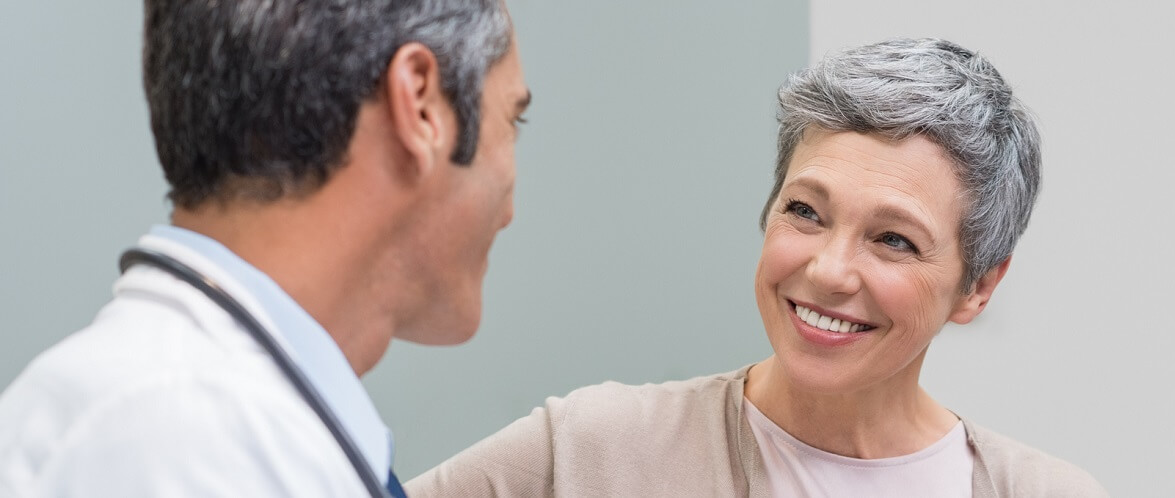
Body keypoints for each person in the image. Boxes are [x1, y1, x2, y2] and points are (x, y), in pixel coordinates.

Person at [407, 38, 1107, 497]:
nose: (830, 270)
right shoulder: (592, 453)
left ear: (979, 285)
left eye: (893, 240)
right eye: (805, 211)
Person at [0, 0, 529, 496]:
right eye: (513, 119)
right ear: (419, 104)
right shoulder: (178, 442)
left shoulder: (193, 419)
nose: (510, 206)